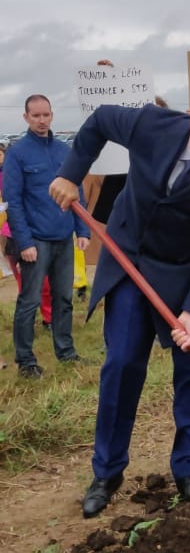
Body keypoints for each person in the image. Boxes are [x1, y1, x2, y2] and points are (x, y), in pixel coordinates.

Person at [49, 93, 190, 517]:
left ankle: (188, 467)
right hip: (129, 259)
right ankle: (106, 471)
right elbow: (101, 119)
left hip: (185, 272)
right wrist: (72, 174)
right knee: (123, 363)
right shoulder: (151, 126)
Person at [4, 95, 89, 377]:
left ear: (52, 115)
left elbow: (76, 190)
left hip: (63, 236)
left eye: (46, 115)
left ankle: (66, 352)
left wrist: (83, 229)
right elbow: (13, 202)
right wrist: (24, 243)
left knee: (64, 297)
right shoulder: (18, 154)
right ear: (26, 117)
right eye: (36, 116)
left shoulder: (64, 151)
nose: (42, 120)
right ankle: (26, 361)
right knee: (29, 301)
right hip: (35, 241)